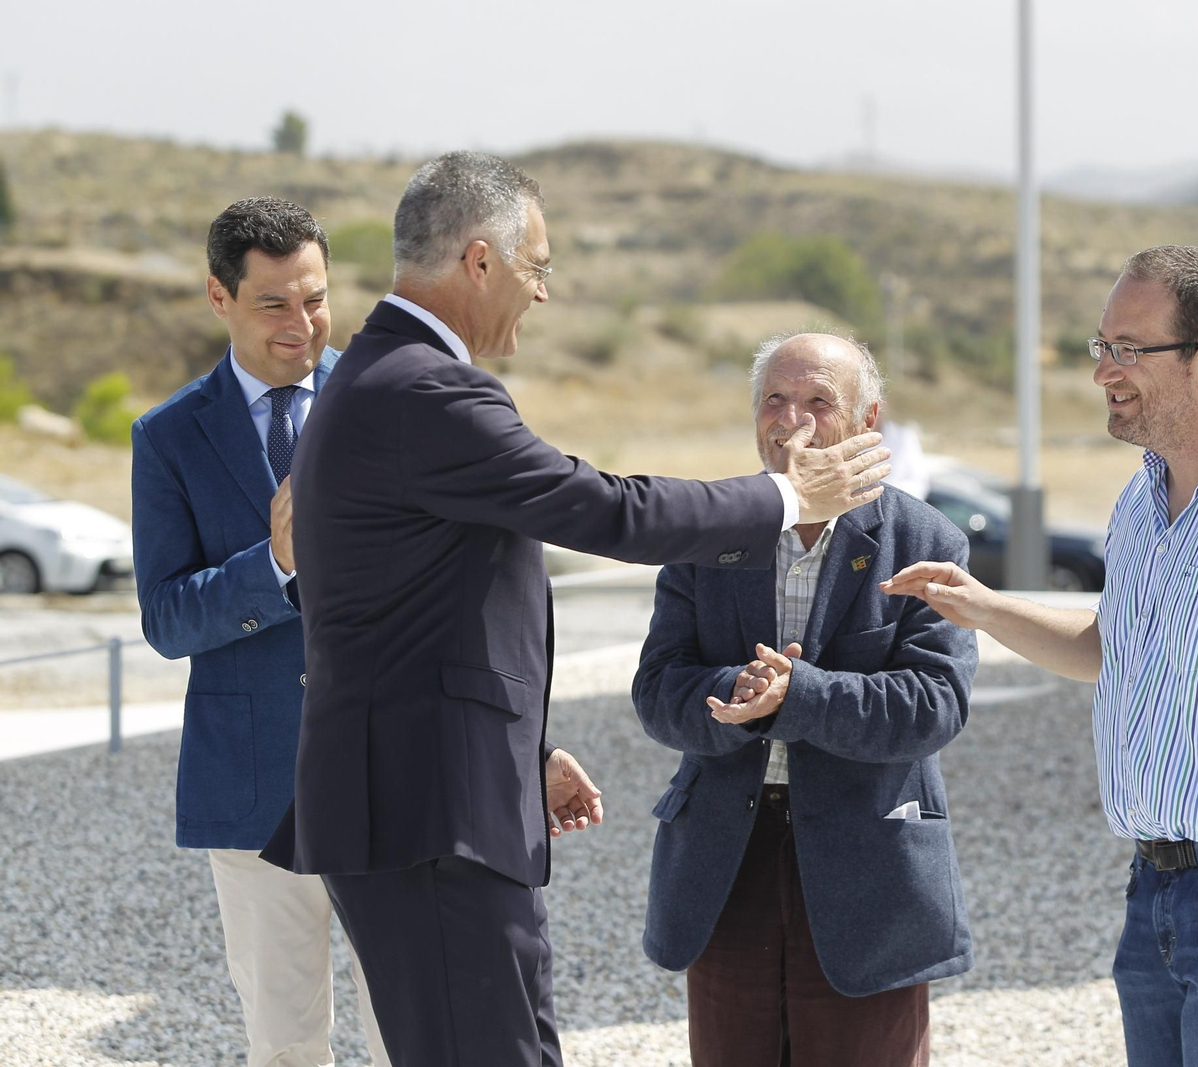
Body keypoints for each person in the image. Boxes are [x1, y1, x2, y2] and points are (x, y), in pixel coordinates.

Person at [259, 153, 891, 1067]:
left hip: (433, 798)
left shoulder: (378, 381)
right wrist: (787, 497)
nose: (543, 294)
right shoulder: (426, 391)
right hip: (430, 816)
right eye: (537, 267)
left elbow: (411, 620)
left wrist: (524, 752)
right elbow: (608, 508)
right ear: (480, 262)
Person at [883, 245, 1198, 1067]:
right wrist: (977, 604)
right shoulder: (1144, 495)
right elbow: (1111, 648)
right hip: (1157, 883)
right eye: (1100, 347)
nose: (1103, 371)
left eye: (1128, 349)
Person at [633, 332, 977, 1067]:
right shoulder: (710, 531)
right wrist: (733, 693)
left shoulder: (924, 538)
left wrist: (799, 697)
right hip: (727, 867)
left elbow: (934, 703)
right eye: (775, 399)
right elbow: (657, 687)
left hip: (869, 874)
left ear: (867, 420)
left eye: (820, 400)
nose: (793, 419)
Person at [132, 197, 389, 1067]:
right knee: (283, 1044)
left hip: (392, 775)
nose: (302, 324)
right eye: (273, 302)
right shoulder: (167, 437)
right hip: (249, 792)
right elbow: (167, 618)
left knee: (413, 1031)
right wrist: (273, 567)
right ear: (219, 296)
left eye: (315, 299)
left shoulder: (391, 403)